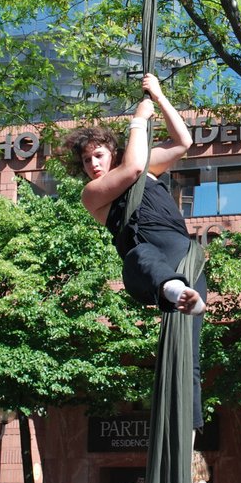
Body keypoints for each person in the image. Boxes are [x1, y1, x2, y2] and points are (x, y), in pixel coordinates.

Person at [65, 73, 208, 430]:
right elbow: (130, 169)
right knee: (139, 255)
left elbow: (183, 141)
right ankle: (172, 288)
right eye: (87, 161)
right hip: (147, 264)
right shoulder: (93, 193)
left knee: (189, 358)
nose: (93, 165)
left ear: (112, 152)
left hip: (186, 257)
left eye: (98, 155)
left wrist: (159, 96)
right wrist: (138, 120)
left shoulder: (147, 168)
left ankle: (189, 438)